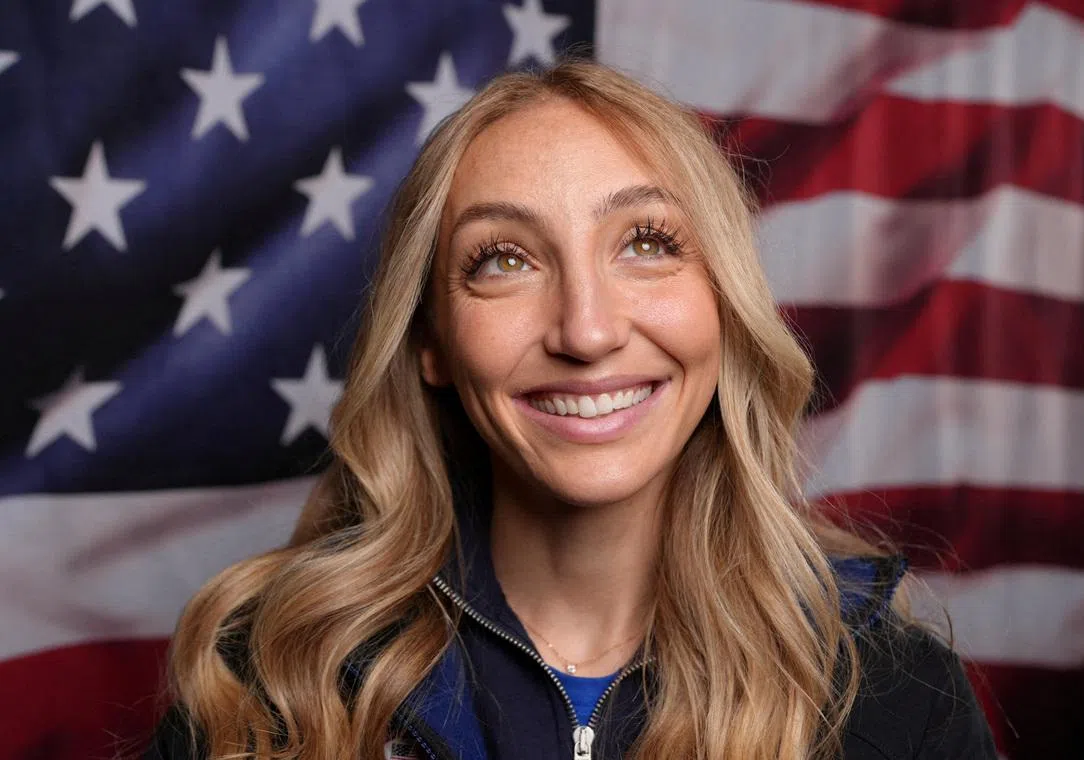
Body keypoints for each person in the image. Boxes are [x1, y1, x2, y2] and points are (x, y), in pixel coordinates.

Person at [145, 60, 998, 760]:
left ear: (724, 305)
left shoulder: (896, 698)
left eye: (647, 243)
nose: (587, 331)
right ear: (432, 340)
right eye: (504, 260)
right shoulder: (271, 680)